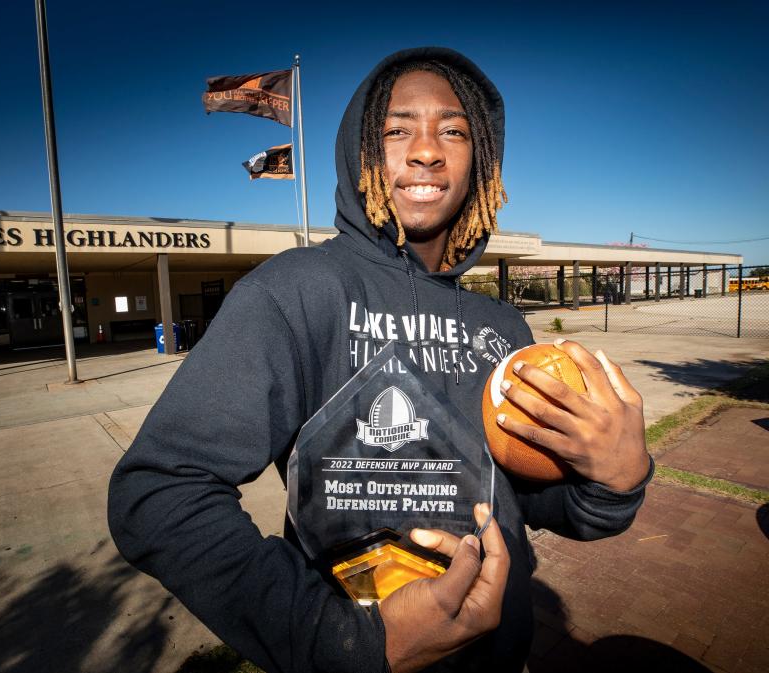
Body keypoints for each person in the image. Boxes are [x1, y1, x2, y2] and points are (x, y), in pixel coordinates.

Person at [108, 47, 652, 673]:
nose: (427, 149)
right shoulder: (296, 293)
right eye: (397, 129)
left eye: (454, 129)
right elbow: (158, 492)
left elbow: (519, 496)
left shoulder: (500, 323)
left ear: (483, 161)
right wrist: (342, 642)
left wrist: (611, 479)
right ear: (361, 150)